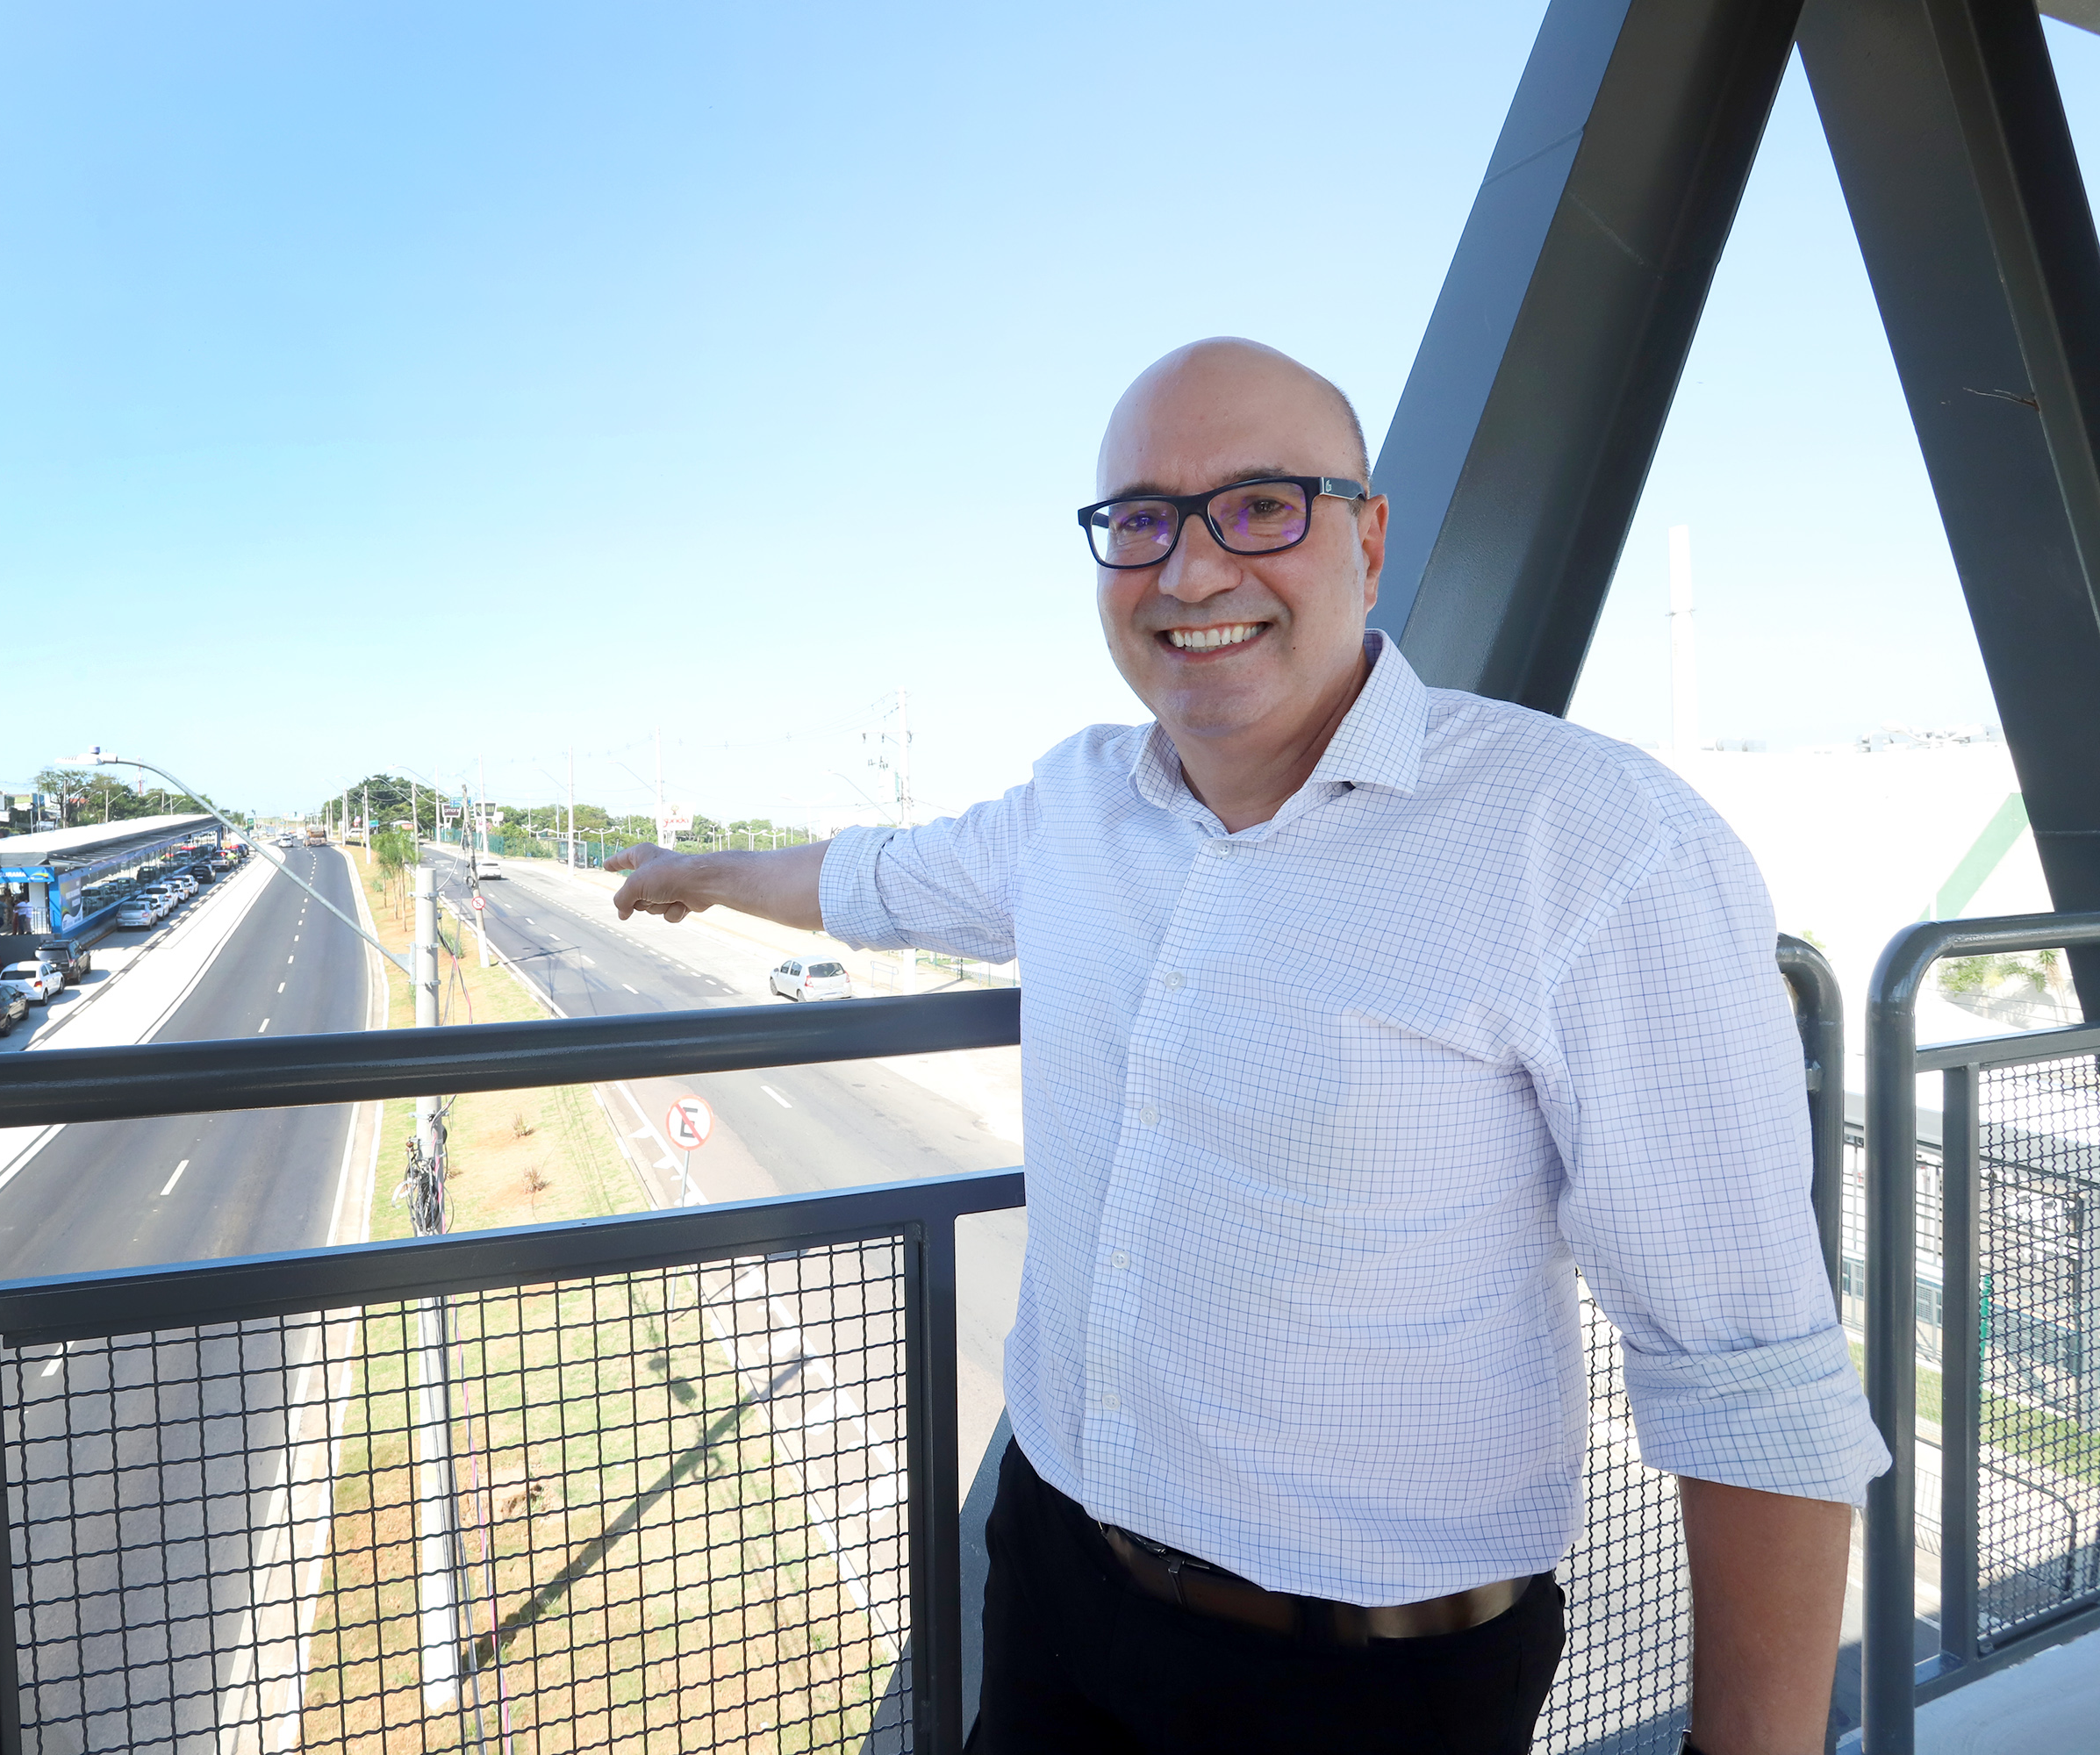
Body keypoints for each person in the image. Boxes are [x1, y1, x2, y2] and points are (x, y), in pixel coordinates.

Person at [604, 340, 1885, 1755]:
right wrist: (705, 874)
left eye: (1261, 504)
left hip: (1361, 1690)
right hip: (1053, 1582)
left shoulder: (1584, 846)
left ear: (1371, 538)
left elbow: (1749, 1376)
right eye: (1141, 519)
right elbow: (876, 876)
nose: (1193, 569)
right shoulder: (1073, 809)